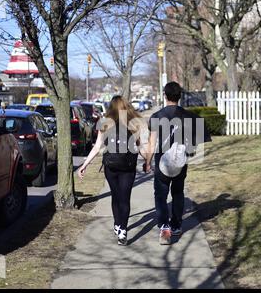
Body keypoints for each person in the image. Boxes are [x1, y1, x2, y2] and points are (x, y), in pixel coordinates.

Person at [145, 82, 211, 245]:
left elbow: (152, 144)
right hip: (181, 161)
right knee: (178, 192)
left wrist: (147, 162)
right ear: (179, 96)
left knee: (160, 195)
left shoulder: (157, 117)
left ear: (165, 96)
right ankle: (176, 225)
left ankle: (164, 226)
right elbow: (196, 143)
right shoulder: (189, 116)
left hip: (162, 162)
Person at [77, 96, 148, 246]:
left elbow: (97, 147)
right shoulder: (132, 123)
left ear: (111, 107)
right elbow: (140, 147)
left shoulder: (104, 123)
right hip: (128, 167)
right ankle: (123, 229)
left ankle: (117, 224)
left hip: (111, 166)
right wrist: (148, 161)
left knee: (116, 196)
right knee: (125, 198)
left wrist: (84, 165)